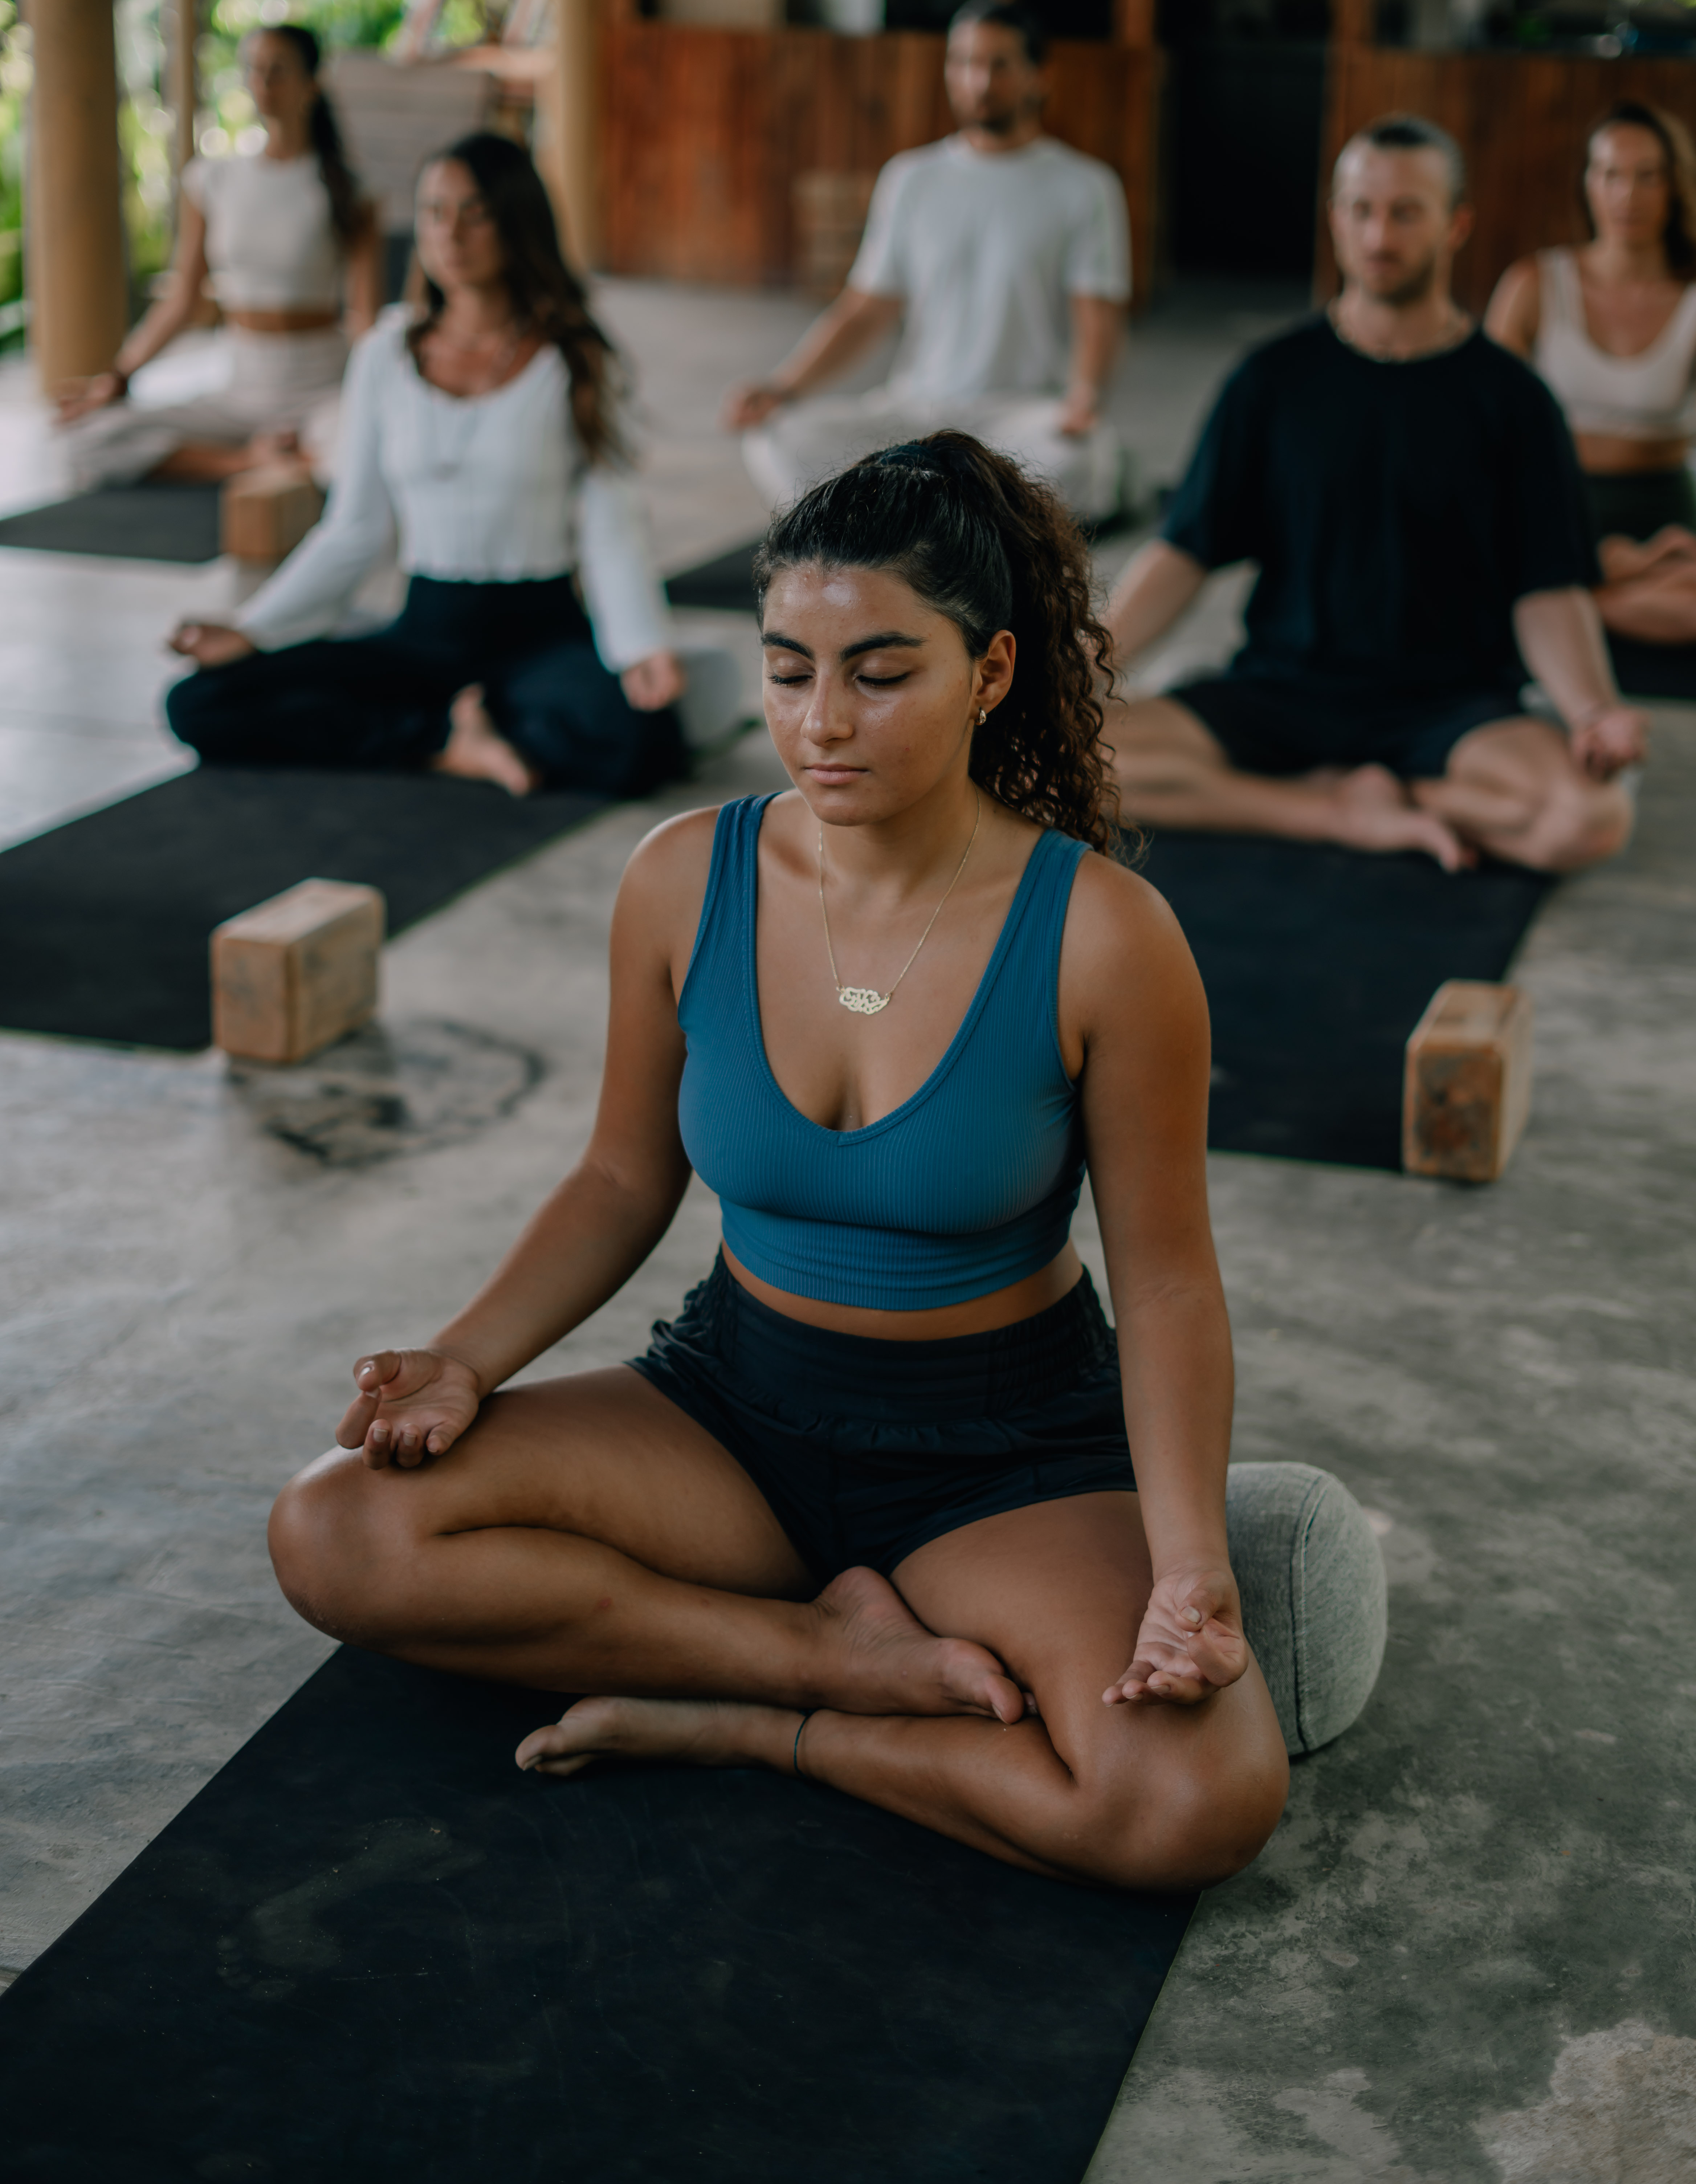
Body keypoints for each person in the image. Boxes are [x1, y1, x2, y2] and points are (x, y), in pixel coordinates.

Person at [263, 431, 1345, 1895]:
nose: (822, 722)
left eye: (880, 673)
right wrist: (466, 1358)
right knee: (336, 1531)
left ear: (992, 672)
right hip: (733, 1411)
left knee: (1191, 1805)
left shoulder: (1103, 936)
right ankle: (819, 1650)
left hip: (1002, 1454)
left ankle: (766, 1729)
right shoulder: (678, 879)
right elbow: (616, 1181)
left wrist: (1186, 1566)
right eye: (788, 671)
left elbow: (1166, 1290)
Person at [1103, 114, 1647, 876]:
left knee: (1589, 819)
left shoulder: (1512, 400)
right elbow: (1183, 552)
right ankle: (1328, 810)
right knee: (1057, 757)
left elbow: (1549, 588)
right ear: (1333, 219)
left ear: (1454, 224)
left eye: (1404, 211)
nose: (1377, 234)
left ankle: (1392, 797)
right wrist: (1085, 667)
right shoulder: (1271, 381)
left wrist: (1591, 711)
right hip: (1283, 691)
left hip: (1449, 711)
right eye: (1359, 210)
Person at [164, 133, 688, 800]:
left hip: (539, 636)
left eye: (476, 213)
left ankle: (469, 722)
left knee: (643, 739)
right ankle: (445, 743)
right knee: (201, 703)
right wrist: (253, 628)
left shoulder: (577, 357)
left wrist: (641, 645)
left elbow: (613, 525)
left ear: (517, 223)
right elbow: (352, 531)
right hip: (423, 634)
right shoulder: (385, 352)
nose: (451, 233)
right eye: (435, 212)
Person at [723, 0, 1130, 523]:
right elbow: (865, 309)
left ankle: (915, 518)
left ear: (1039, 76)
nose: (978, 81)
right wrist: (782, 386)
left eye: (999, 65)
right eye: (962, 62)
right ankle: (953, 519)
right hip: (918, 410)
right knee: (778, 436)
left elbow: (1097, 313)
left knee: (1080, 459)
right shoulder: (912, 178)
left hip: (1021, 417)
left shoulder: (1084, 186)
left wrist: (1085, 397)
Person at [56, 25, 381, 486]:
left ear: (312, 84)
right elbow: (182, 302)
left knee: (365, 457)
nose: (264, 82)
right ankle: (249, 462)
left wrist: (384, 393)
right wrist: (117, 377)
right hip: (241, 391)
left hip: (322, 392)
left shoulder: (350, 190)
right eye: (254, 69)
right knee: (84, 438)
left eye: (279, 70)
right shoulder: (213, 179)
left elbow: (363, 317)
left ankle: (295, 455)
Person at [1487, 100, 1696, 649]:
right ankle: (1595, 587)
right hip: (1558, 501)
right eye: (1611, 174)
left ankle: (1568, 606)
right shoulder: (1533, 283)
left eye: (1648, 176)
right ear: (1588, 183)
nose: (1628, 195)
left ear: (1674, 185)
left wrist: (1657, 555)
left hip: (1665, 516)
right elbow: (1481, 423)